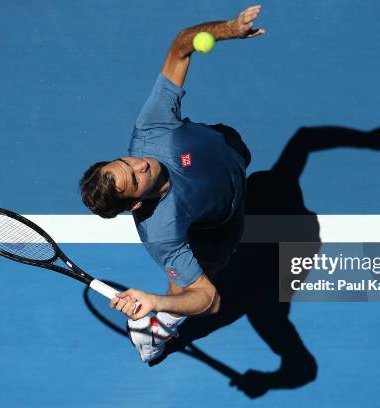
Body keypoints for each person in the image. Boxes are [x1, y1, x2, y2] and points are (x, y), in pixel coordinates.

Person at [78, 5, 265, 363]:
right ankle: (158, 323)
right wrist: (156, 302)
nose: (141, 164)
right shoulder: (163, 232)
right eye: (135, 179)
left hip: (227, 148)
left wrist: (228, 28)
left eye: (127, 162)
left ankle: (160, 315)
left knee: (240, 149)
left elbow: (181, 46)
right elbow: (210, 300)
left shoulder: (151, 129)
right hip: (221, 223)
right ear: (135, 204)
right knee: (195, 280)